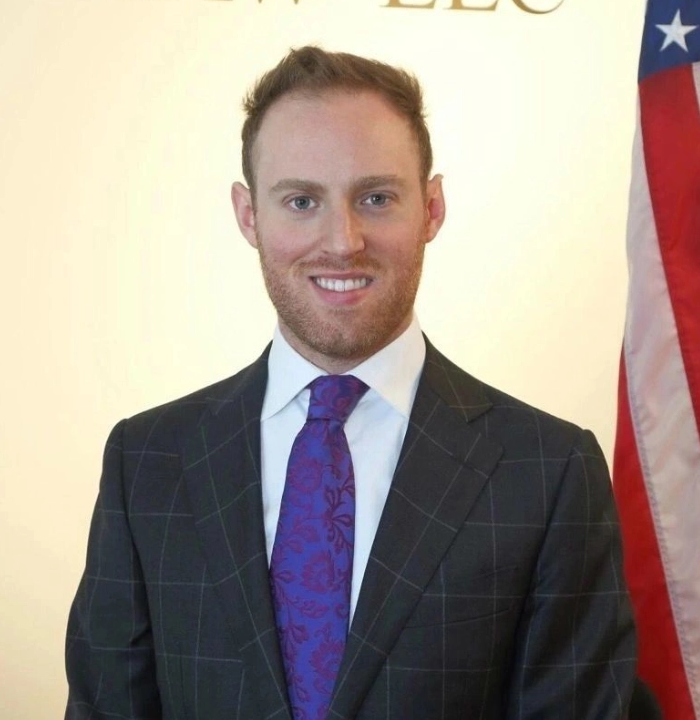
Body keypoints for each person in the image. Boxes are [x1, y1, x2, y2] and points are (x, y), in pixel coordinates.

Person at [65, 46, 636, 719]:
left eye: (375, 197)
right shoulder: (148, 461)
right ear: (249, 215)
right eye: (301, 200)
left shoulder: (548, 471)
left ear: (431, 207)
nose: (342, 240)